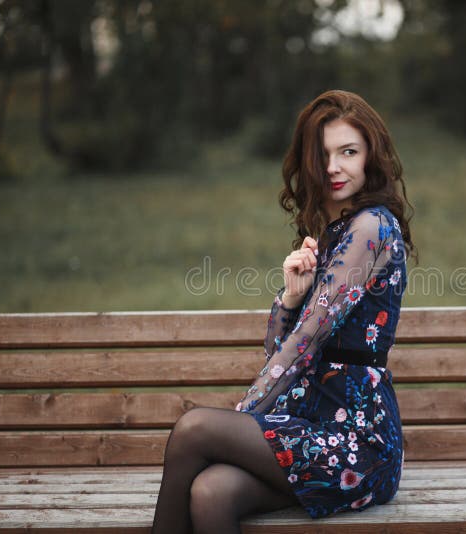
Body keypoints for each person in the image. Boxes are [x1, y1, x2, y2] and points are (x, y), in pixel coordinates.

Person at [151, 89, 416, 534]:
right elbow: (279, 348)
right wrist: (291, 297)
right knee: (210, 493)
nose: (334, 166)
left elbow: (305, 344)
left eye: (348, 152)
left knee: (195, 430)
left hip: (356, 443)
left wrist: (241, 419)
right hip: (309, 429)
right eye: (324, 154)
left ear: (371, 155)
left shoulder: (371, 227)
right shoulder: (334, 234)